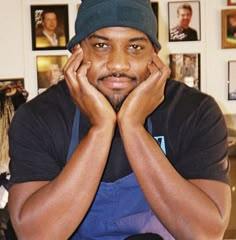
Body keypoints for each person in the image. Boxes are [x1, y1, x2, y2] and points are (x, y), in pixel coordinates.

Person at [8, 0, 231, 239]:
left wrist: (133, 127)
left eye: (135, 47)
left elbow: (205, 233)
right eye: (101, 45)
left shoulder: (195, 112)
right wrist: (101, 128)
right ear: (77, 51)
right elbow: (34, 235)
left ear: (154, 55)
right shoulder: (38, 117)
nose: (118, 64)